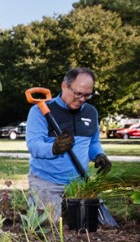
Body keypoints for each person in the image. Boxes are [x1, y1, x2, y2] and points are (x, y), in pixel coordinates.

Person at [25, 67, 112, 221]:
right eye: (78, 93)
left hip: (79, 182)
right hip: (47, 181)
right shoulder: (40, 111)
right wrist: (53, 148)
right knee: (47, 225)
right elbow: (34, 145)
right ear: (64, 86)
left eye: (87, 95)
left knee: (90, 225)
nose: (82, 99)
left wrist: (99, 154)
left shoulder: (91, 112)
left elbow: (93, 142)